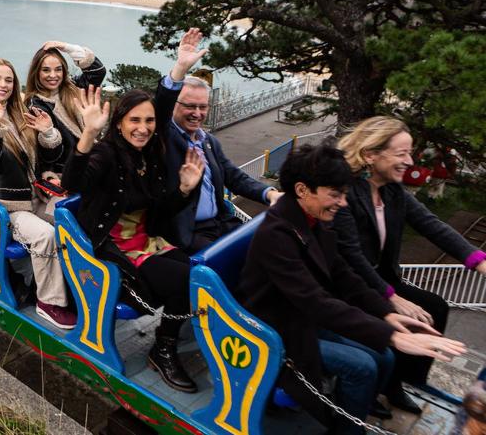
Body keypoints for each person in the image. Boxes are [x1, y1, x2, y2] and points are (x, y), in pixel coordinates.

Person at [238, 143, 465, 434]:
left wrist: (386, 313)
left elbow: (342, 274)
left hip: (303, 317)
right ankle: (348, 428)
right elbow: (315, 300)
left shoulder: (308, 220)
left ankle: (354, 411)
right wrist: (392, 335)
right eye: (335, 194)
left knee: (383, 356)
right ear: (302, 190)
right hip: (278, 326)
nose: (343, 203)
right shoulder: (277, 234)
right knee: (362, 366)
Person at [335, 116, 486, 413]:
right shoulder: (345, 194)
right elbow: (350, 256)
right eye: (401, 154)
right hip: (351, 285)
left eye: (410, 152)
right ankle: (374, 388)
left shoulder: (392, 190)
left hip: (380, 279)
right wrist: (391, 296)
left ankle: (401, 383)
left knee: (435, 307)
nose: (410, 161)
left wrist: (479, 262)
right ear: (370, 155)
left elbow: (433, 226)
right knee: (407, 316)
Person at [62, 84, 204, 392]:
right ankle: (163, 350)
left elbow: (159, 214)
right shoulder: (105, 153)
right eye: (134, 121)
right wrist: (88, 134)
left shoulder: (149, 155)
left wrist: (183, 189)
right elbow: (72, 183)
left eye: (149, 121)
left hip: (148, 242)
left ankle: (168, 341)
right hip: (115, 252)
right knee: (186, 281)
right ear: (119, 123)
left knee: (201, 274)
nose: (143, 128)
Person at [0, 59, 72, 329]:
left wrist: (47, 132)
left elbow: (49, 158)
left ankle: (72, 283)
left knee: (75, 217)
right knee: (45, 236)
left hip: (36, 195)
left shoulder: (21, 115)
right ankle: (49, 301)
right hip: (7, 208)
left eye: (8, 80)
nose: (3, 85)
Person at [156, 28, 281, 253]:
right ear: (175, 104)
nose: (197, 113)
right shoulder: (164, 136)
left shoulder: (209, 141)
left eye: (202, 107)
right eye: (189, 106)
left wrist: (270, 194)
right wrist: (180, 69)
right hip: (188, 232)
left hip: (221, 223)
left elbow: (235, 176)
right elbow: (160, 109)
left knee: (265, 251)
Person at [24, 40, 106, 172]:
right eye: (46, 70)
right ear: (36, 72)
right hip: (70, 173)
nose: (53, 75)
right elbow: (50, 157)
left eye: (58, 69)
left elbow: (97, 72)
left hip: (93, 164)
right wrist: (49, 134)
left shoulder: (73, 87)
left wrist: (69, 48)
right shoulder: (36, 105)